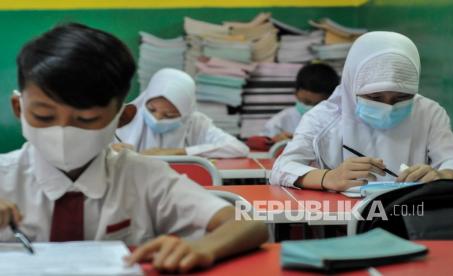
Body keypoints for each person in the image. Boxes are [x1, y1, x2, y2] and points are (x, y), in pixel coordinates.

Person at [0, 23, 267, 273]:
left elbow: (249, 223)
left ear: (122, 117)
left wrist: (202, 247)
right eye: (44, 117)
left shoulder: (143, 177)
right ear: (18, 108)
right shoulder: (4, 176)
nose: (63, 132)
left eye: (87, 120)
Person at [270, 31, 453, 191]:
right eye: (375, 98)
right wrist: (328, 177)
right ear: (352, 84)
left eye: (401, 98)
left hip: (412, 213)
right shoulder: (323, 117)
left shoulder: (428, 112)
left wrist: (441, 175)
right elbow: (281, 169)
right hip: (341, 221)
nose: (388, 108)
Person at [113, 68, 249, 158]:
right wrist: (109, 151)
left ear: (185, 112)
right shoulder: (123, 116)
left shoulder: (194, 122)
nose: (157, 119)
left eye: (169, 115)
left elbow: (238, 148)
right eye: (151, 110)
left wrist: (178, 152)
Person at [261, 63, 339, 143]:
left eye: (318, 104)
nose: (311, 109)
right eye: (306, 102)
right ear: (296, 93)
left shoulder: (338, 122)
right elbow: (261, 142)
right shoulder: (281, 120)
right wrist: (274, 141)